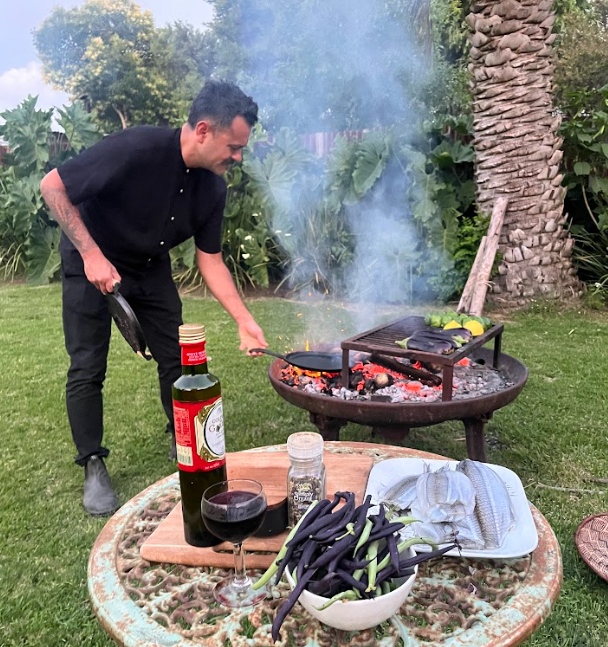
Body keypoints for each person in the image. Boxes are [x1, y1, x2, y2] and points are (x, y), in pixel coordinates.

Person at [40, 80, 268, 517]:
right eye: (234, 147)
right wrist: (90, 254)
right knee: (87, 365)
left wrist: (243, 319)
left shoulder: (213, 189)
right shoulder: (135, 147)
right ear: (203, 130)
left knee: (180, 360)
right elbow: (53, 186)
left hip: (149, 267)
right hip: (91, 260)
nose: (237, 157)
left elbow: (212, 261)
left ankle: (182, 437)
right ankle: (92, 462)